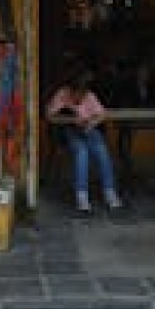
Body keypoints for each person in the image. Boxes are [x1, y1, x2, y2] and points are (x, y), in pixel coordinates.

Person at [46, 70, 123, 213]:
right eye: (78, 94)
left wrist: (91, 123)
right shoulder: (62, 94)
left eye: (83, 94)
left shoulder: (89, 96)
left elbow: (102, 114)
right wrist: (72, 120)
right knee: (82, 152)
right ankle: (82, 196)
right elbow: (50, 116)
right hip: (70, 131)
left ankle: (109, 192)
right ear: (71, 90)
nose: (80, 97)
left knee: (101, 150)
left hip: (88, 129)